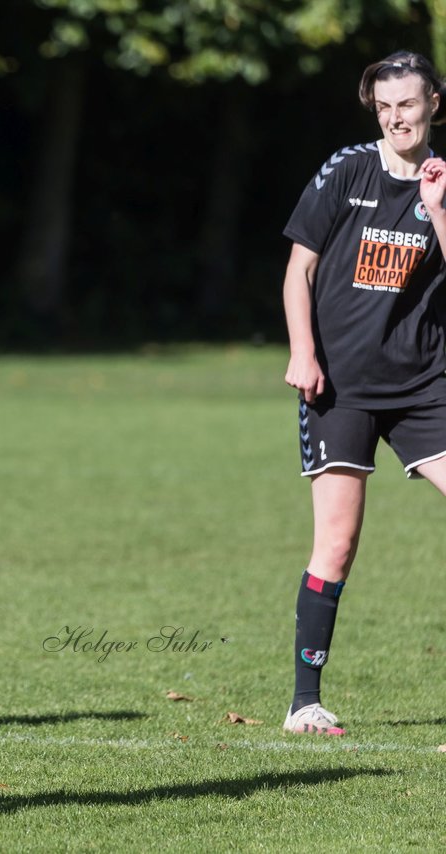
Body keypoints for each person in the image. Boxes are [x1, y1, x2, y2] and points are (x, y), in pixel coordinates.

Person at [281, 51, 446, 736]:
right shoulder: (346, 169)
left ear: (434, 102)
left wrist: (436, 208)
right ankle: (304, 703)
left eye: (406, 103)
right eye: (384, 107)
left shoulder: (445, 182)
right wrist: (302, 351)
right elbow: (299, 271)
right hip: (340, 386)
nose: (395, 117)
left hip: (424, 385)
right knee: (338, 543)